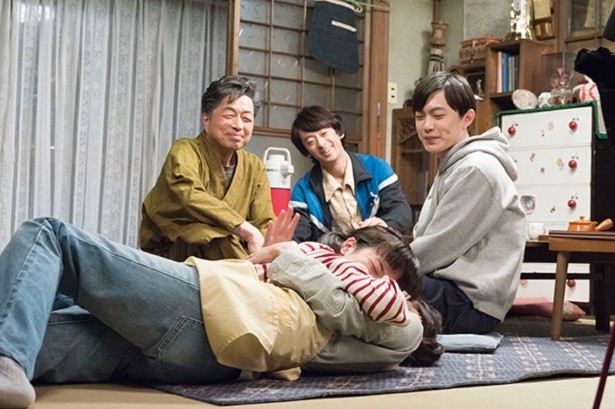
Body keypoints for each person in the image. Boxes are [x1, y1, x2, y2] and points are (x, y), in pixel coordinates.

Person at [0, 210, 439, 409]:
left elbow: (352, 308)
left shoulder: (401, 326)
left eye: (395, 288)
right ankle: (11, 359)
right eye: (376, 270)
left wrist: (286, 255)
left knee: (49, 235)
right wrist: (285, 255)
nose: (379, 287)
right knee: (32, 330)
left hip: (208, 311)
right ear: (348, 245)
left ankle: (8, 357)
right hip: (200, 357)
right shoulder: (334, 277)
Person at [408, 72, 526, 335]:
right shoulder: (453, 164)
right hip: (450, 289)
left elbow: (437, 247)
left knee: (368, 282)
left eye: (438, 115)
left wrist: (380, 265)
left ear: (467, 118)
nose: (427, 126)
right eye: (419, 116)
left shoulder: (476, 168)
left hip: (470, 302)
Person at [139, 75, 274, 262]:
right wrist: (245, 229)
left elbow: (263, 222)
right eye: (229, 115)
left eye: (246, 119)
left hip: (236, 256)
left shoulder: (254, 166)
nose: (238, 126)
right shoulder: (185, 151)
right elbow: (189, 195)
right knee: (208, 236)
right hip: (175, 255)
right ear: (206, 119)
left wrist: (268, 243)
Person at [251, 225, 423, 327]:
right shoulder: (327, 257)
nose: (372, 283)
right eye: (375, 268)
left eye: (387, 285)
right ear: (348, 246)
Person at [289, 105, 412, 243]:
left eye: (324, 134)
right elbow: (299, 237)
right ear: (306, 151)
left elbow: (401, 211)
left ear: (339, 132)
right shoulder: (302, 191)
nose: (321, 144)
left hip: (379, 248)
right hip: (332, 253)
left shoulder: (377, 168)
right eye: (311, 141)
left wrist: (384, 226)